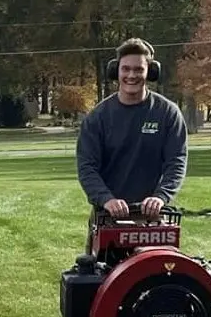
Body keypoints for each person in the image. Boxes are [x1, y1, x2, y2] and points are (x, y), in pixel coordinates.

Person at [76, 37, 188, 251]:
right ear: (115, 71)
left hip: (152, 219)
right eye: (125, 69)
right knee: (99, 281)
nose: (131, 75)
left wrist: (161, 197)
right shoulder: (98, 117)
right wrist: (106, 199)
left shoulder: (167, 113)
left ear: (151, 72)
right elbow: (87, 167)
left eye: (138, 69)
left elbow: (176, 161)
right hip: (107, 218)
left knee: (160, 279)